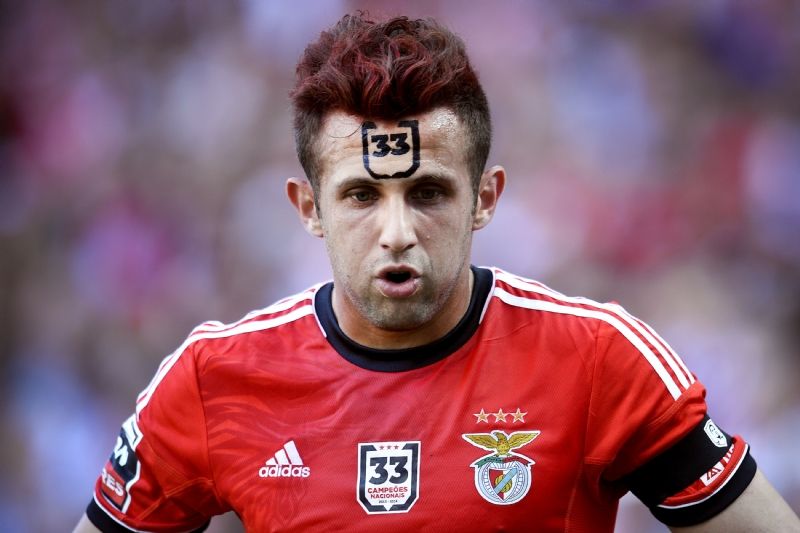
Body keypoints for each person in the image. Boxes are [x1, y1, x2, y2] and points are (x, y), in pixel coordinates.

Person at [74, 12, 799, 533]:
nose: (396, 233)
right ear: (308, 208)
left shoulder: (602, 357)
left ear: (485, 198)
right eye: (362, 196)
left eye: (427, 192)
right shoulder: (211, 378)